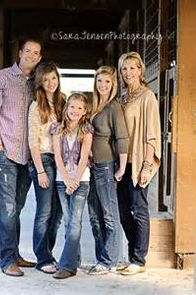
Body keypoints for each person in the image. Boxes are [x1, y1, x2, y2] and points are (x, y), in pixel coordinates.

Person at [0, 39, 42, 277]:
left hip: (27, 156)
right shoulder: (0, 79)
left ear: (39, 58)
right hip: (6, 152)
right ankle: (7, 260)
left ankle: (14, 253)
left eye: (36, 53)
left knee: (16, 207)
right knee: (7, 209)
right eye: (28, 51)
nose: (31, 55)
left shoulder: (35, 83)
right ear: (20, 53)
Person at [117, 51, 161, 275]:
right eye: (124, 68)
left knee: (139, 209)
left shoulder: (147, 97)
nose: (128, 72)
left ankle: (139, 260)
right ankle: (133, 253)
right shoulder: (122, 97)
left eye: (132, 67)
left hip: (138, 161)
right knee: (124, 212)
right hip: (122, 162)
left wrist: (146, 165)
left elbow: (152, 133)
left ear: (140, 70)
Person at [87, 66, 129, 275]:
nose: (103, 85)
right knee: (94, 216)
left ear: (113, 84)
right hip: (91, 168)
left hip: (105, 166)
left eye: (107, 82)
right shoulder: (94, 105)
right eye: (100, 81)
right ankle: (101, 258)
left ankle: (109, 260)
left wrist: (121, 166)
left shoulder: (114, 107)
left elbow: (122, 137)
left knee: (109, 215)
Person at [50, 93, 93, 279]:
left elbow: (84, 157)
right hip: (62, 180)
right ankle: (74, 259)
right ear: (66, 108)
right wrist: (67, 179)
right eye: (72, 107)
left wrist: (75, 180)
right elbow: (57, 156)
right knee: (68, 222)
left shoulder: (87, 129)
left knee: (75, 221)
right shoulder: (57, 129)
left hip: (81, 180)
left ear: (84, 112)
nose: (75, 111)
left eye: (79, 108)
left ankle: (67, 265)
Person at [28, 62, 66, 274]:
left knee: (58, 212)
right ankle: (42, 258)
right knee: (44, 211)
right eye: (46, 80)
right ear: (40, 83)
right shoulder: (36, 106)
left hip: (61, 160)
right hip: (43, 159)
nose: (51, 83)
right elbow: (33, 142)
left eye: (53, 78)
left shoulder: (63, 101)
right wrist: (40, 170)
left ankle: (48, 253)